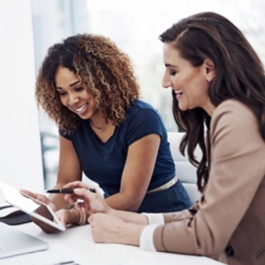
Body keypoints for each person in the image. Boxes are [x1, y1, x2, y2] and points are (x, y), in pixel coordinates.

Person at [59, 12, 265, 265]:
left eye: (173, 71)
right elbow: (198, 215)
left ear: (208, 69)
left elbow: (206, 236)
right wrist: (113, 214)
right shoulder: (230, 117)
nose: (165, 82)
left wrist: (126, 233)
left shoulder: (234, 119)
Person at [28, 33, 191, 232]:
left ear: (101, 80)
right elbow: (64, 184)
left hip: (165, 220)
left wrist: (74, 215)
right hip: (111, 219)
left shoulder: (142, 118)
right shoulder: (71, 124)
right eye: (62, 92)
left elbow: (130, 199)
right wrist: (49, 207)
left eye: (78, 88)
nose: (71, 100)